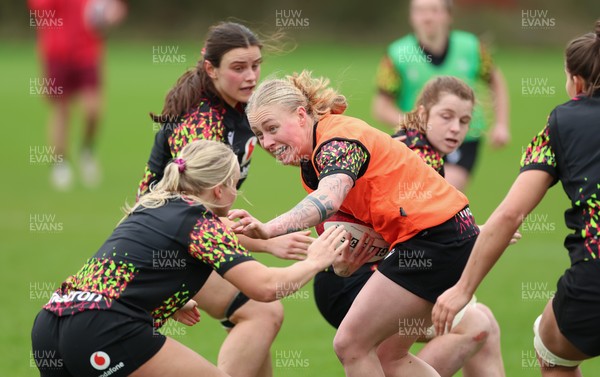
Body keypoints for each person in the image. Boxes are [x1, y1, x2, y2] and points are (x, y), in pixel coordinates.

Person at [229, 70, 489, 376]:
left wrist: (268, 230)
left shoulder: (337, 142)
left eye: (272, 128)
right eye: (259, 134)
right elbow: (342, 254)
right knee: (388, 355)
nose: (267, 142)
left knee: (351, 344)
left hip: (435, 240)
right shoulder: (312, 164)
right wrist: (346, 263)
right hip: (442, 237)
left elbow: (329, 200)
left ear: (301, 115)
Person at [31, 139, 349, 377]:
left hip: (51, 325)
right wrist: (314, 261)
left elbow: (133, 264)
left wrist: (166, 298)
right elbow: (264, 289)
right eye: (235, 183)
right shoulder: (198, 221)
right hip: (102, 329)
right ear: (219, 189)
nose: (237, 191)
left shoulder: (154, 204)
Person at [137, 21, 313, 377]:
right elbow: (191, 221)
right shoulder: (202, 124)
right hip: (166, 246)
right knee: (263, 311)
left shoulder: (240, 109)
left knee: (257, 319)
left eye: (256, 65)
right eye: (238, 67)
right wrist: (269, 242)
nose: (251, 76)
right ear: (210, 68)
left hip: (187, 236)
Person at [433, 20, 600, 377]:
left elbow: (510, 214)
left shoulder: (563, 122)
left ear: (577, 83)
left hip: (593, 285)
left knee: (551, 348)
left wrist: (463, 289)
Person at [313, 76, 506, 377]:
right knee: (475, 326)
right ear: (423, 113)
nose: (456, 128)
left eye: (465, 120)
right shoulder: (418, 155)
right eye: (447, 116)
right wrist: (479, 233)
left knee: (482, 324)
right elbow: (417, 236)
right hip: (353, 280)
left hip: (356, 276)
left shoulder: (411, 144)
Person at [372, 0, 510, 192]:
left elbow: (495, 80)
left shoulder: (471, 47)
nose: (427, 17)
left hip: (463, 138)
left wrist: (501, 124)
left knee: (441, 191)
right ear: (411, 17)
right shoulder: (396, 55)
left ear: (449, 16)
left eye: (435, 10)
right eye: (420, 11)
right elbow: (381, 107)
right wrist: (416, 124)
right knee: (409, 198)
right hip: (417, 139)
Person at [29, 0, 127, 190]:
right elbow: (39, 8)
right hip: (56, 52)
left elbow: (109, 8)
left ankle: (86, 150)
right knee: (61, 110)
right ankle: (60, 163)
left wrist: (111, 13)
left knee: (93, 110)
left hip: (87, 52)